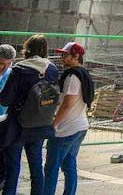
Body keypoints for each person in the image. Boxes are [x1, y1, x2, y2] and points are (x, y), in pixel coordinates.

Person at [1, 34, 60, 195]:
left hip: (17, 126)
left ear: (27, 49)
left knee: (13, 169)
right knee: (36, 168)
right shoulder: (52, 69)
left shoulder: (20, 69)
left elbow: (5, 99)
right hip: (40, 124)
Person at [44, 42, 93, 195]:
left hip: (65, 129)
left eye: (65, 55)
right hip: (80, 126)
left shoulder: (72, 76)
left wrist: (54, 125)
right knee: (69, 165)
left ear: (76, 56)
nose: (62, 57)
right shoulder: (84, 74)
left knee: (51, 168)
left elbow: (67, 104)